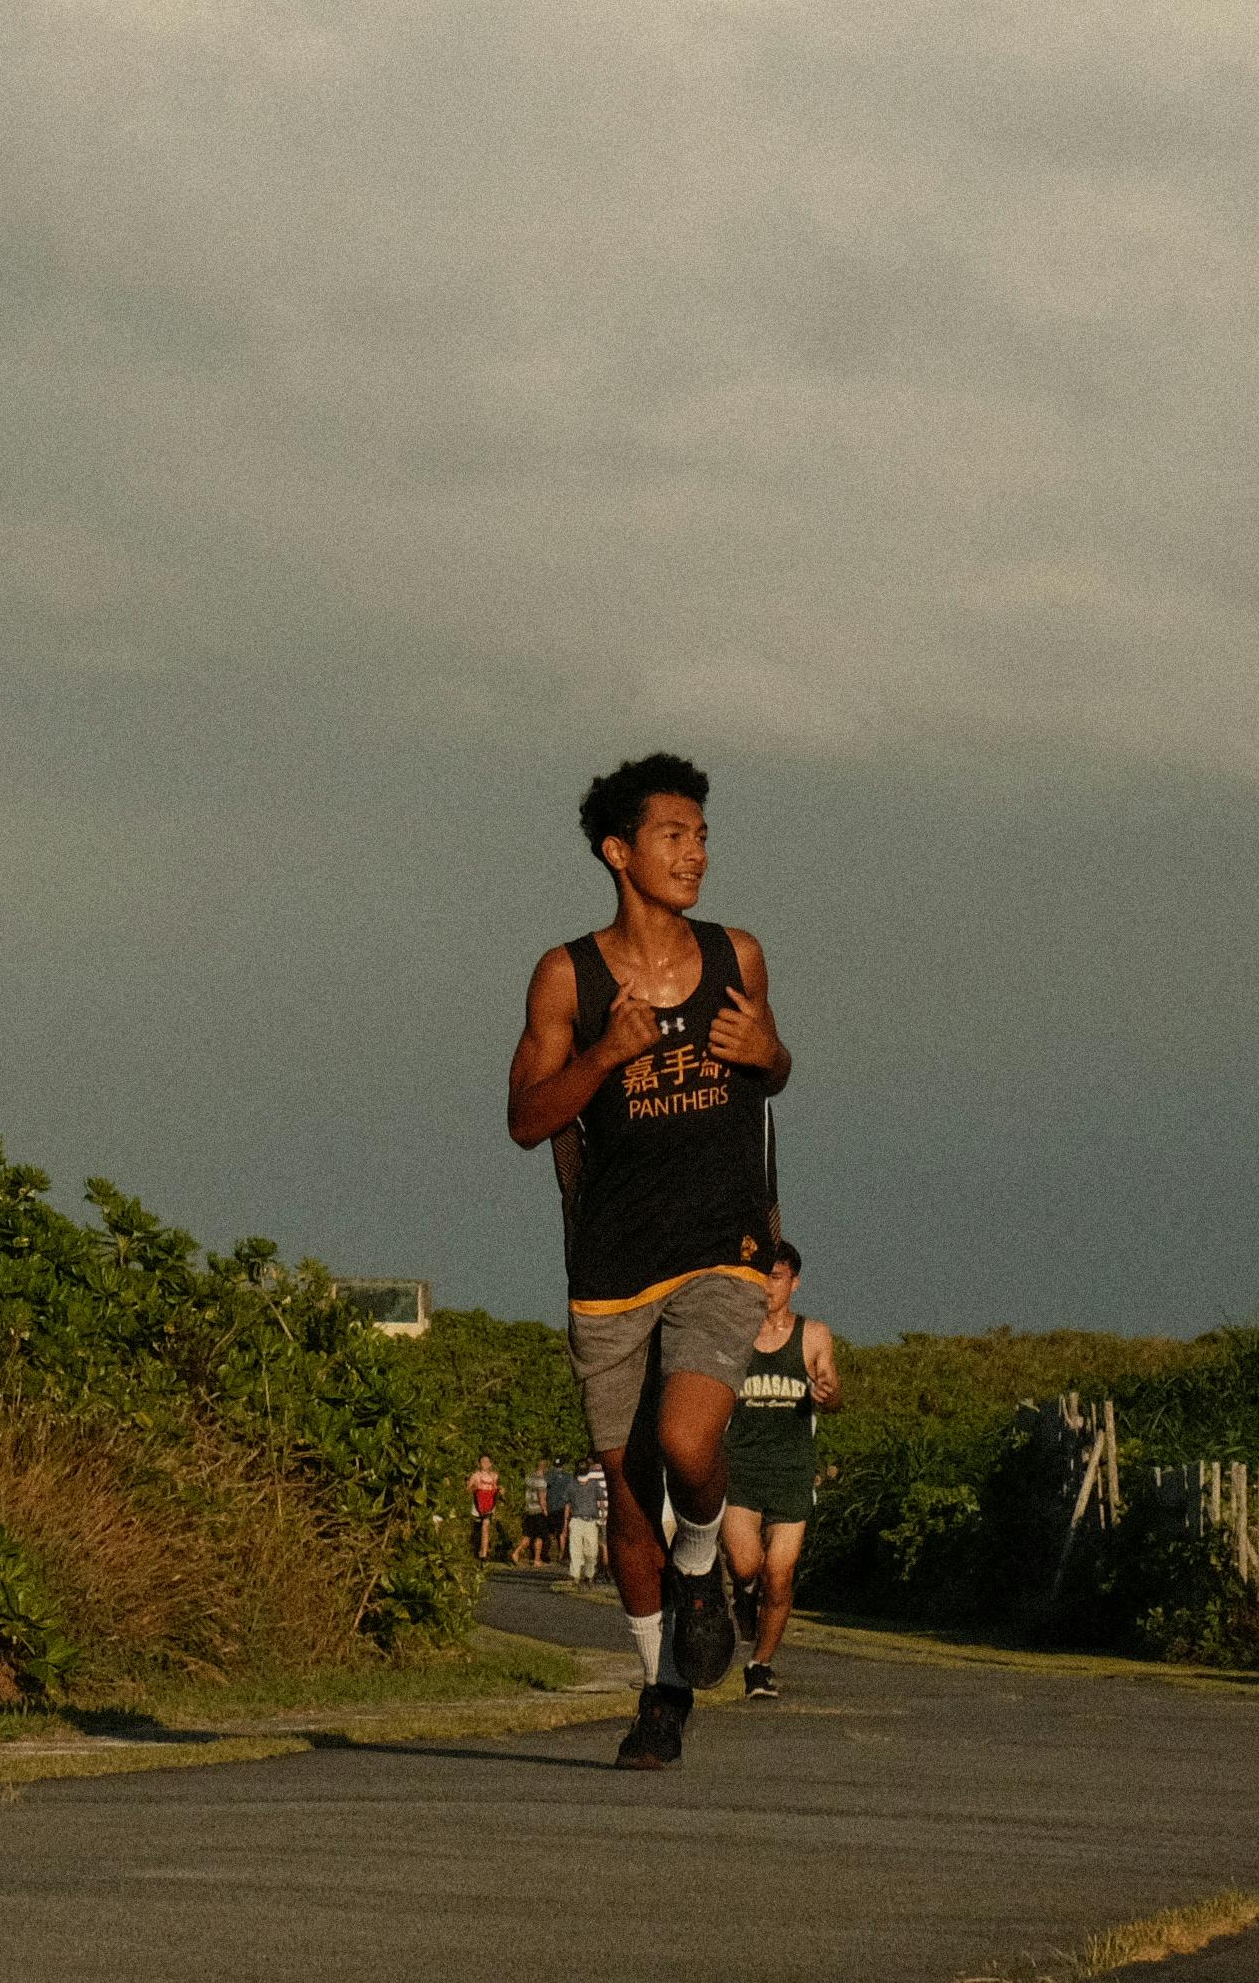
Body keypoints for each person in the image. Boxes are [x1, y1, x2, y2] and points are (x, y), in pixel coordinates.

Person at [505, 753, 788, 1775]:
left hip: (722, 1247)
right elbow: (527, 1118)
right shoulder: (567, 976)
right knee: (629, 1501)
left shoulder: (738, 953)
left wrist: (771, 1050)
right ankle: (661, 1691)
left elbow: (775, 1064)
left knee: (687, 1438)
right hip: (612, 1262)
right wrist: (604, 1056)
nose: (696, 851)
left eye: (703, 832)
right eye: (675, 833)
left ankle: (704, 1570)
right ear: (618, 851)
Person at [718, 1239, 843, 1693]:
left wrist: (828, 1394)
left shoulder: (814, 1335)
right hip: (742, 1469)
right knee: (748, 1565)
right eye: (762, 1277)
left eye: (776, 1277)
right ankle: (742, 1594)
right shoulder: (732, 1334)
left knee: (780, 1574)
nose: (768, 1287)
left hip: (791, 1470)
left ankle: (760, 1665)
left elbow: (833, 1392)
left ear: (794, 1282)